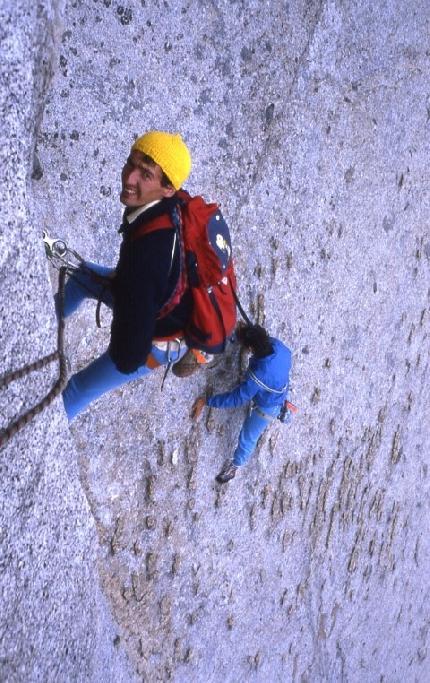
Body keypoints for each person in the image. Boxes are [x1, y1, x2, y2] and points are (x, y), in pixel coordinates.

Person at [60, 130, 198, 421]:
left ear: (168, 188)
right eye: (130, 163)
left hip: (156, 341)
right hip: (153, 301)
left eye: (145, 174)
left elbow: (129, 355)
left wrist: (124, 324)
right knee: (85, 276)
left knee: (77, 389)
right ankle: (37, 325)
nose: (129, 178)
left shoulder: (149, 256)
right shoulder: (166, 207)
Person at [192, 323, 292, 483]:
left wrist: (206, 400)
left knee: (248, 437)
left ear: (251, 348)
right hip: (280, 386)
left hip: (267, 407)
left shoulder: (258, 375)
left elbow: (236, 398)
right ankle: (280, 407)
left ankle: (235, 467)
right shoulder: (278, 347)